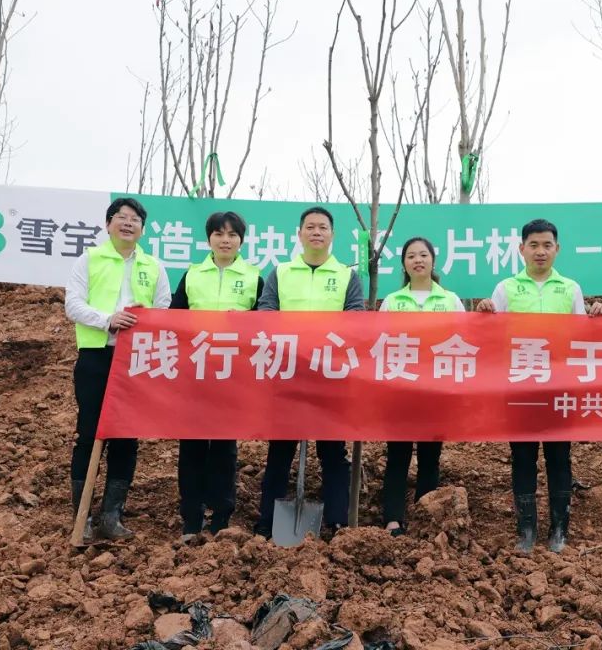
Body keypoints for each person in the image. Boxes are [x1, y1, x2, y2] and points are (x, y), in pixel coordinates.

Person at [477, 219, 602, 553]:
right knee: (522, 456)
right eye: (533, 245)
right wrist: (485, 314)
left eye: (547, 245)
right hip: (520, 387)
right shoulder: (506, 288)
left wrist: (596, 318)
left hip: (559, 386)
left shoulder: (570, 289)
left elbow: (583, 336)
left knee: (559, 456)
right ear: (521, 249)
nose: (540, 251)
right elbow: (490, 336)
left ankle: (559, 529)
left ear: (557, 249)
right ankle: (526, 530)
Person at [254, 206, 366, 538]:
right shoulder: (281, 272)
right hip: (288, 374)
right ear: (299, 233)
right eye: (310, 227)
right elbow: (266, 311)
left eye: (323, 227)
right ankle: (266, 523)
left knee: (332, 451)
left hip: (331, 376)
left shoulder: (346, 275)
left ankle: (337, 522)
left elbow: (355, 316)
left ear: (332, 235)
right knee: (280, 450)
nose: (316, 232)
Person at [64, 197, 171, 541]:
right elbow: (73, 304)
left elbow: (164, 307)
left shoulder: (153, 266)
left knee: (126, 436)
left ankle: (112, 516)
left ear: (143, 229)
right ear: (108, 224)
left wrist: (146, 316)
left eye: (135, 219)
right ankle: (82, 516)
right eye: (121, 217)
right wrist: (107, 319)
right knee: (89, 432)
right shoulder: (90, 259)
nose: (128, 223)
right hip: (97, 355)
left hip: (135, 360)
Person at [170, 211, 264, 541]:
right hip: (196, 372)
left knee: (225, 445)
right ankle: (191, 517)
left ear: (241, 240)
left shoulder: (254, 277)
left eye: (232, 234)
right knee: (192, 443)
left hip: (234, 374)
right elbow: (173, 319)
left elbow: (268, 321)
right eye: (219, 234)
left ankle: (221, 517)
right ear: (209, 239)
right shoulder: (192, 275)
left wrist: (248, 319)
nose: (225, 240)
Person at [378, 237, 464, 536]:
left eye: (423, 255)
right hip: (401, 389)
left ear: (433, 261)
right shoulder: (392, 301)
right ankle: (392, 519)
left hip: (435, 390)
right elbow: (380, 343)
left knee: (430, 456)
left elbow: (465, 340)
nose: (418, 260)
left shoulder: (450, 300)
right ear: (403, 264)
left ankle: (424, 518)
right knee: (397, 455)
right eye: (411, 255)